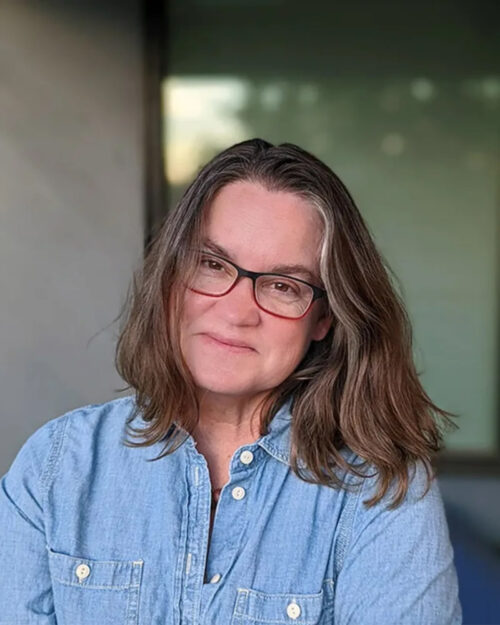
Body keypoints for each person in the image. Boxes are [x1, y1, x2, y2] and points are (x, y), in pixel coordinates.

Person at [0, 138, 462, 624]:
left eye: (284, 285)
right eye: (212, 264)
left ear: (324, 318)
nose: (238, 312)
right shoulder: (56, 468)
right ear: (172, 273)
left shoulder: (383, 495)